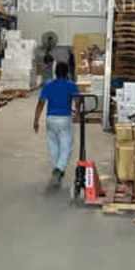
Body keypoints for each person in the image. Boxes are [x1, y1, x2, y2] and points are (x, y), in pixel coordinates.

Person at [33, 61, 78, 189]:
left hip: (50, 119)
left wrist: (36, 120)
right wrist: (78, 113)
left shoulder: (48, 85)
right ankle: (59, 169)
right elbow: (78, 100)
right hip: (65, 119)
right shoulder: (71, 85)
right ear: (67, 72)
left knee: (53, 145)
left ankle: (57, 169)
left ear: (56, 72)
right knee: (66, 146)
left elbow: (41, 103)